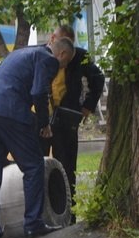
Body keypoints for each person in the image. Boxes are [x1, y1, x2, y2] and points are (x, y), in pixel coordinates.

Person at [0, 37, 76, 238]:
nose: (60, 69)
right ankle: (32, 224)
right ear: (62, 55)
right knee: (34, 166)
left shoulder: (20, 53)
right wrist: (43, 123)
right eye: (64, 65)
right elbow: (38, 92)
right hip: (10, 111)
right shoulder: (47, 59)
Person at [42, 24, 105, 220]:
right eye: (62, 43)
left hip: (66, 119)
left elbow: (98, 78)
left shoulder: (78, 56)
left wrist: (87, 105)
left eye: (70, 44)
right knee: (39, 165)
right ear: (53, 39)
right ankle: (43, 212)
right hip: (42, 120)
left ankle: (69, 213)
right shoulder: (42, 55)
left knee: (67, 167)